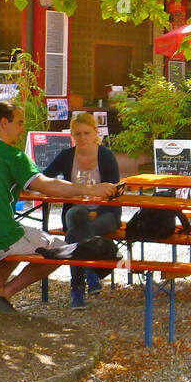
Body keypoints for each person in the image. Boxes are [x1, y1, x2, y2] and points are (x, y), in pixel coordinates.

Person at [0, 102, 117, 313]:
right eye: (19, 123)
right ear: (4, 123)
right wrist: (91, 190)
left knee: (17, 234)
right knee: (59, 246)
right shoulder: (13, 156)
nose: (22, 129)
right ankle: (6, 292)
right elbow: (48, 186)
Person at [40, 111, 122, 308]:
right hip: (76, 213)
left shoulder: (106, 156)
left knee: (75, 235)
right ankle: (90, 272)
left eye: (86, 133)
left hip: (106, 214)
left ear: (95, 133)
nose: (82, 138)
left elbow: (115, 191)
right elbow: (43, 178)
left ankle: (77, 288)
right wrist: (61, 186)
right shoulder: (66, 156)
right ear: (72, 135)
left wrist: (97, 210)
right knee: (78, 216)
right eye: (78, 134)